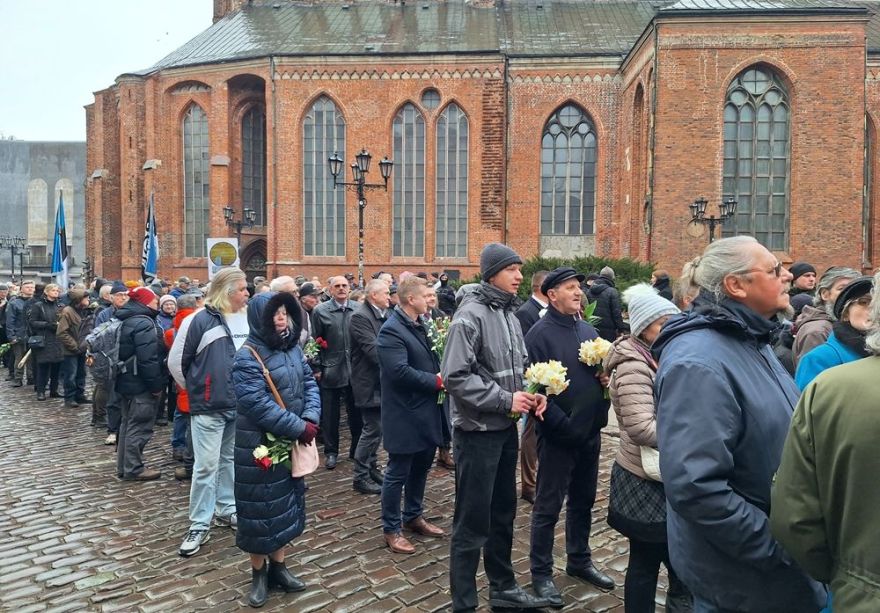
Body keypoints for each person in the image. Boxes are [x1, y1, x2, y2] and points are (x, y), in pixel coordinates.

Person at [653, 236, 826, 612]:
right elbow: (696, 487)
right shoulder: (697, 363)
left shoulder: (752, 340)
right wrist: (780, 546)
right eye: (774, 270)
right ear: (736, 285)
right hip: (744, 578)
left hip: (774, 572)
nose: (786, 278)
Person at [443, 243, 551, 612]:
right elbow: (455, 376)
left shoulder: (508, 314)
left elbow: (518, 368)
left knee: (504, 512)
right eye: (512, 270)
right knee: (472, 521)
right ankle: (464, 602)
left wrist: (532, 394)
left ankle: (503, 589)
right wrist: (506, 400)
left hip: (505, 430)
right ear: (492, 273)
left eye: (521, 270)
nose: (520, 276)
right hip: (476, 434)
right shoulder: (469, 315)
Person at [770, 271, 880, 613]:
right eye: (858, 301)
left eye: (868, 301)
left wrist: (845, 574)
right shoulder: (825, 364)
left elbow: (796, 515)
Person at [523, 267, 614, 608]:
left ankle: (579, 559)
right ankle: (541, 573)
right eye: (571, 288)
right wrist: (564, 427)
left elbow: (594, 375)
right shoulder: (538, 335)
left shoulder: (587, 329)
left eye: (579, 287)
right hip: (559, 437)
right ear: (552, 294)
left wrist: (603, 380)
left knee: (583, 501)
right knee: (548, 507)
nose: (579, 292)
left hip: (590, 432)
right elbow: (533, 389)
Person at [603, 284, 691, 613]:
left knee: (676, 560)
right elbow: (640, 427)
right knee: (647, 562)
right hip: (644, 479)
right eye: (661, 324)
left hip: (662, 474)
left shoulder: (656, 355)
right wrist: (690, 437)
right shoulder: (633, 365)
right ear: (643, 329)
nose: (669, 329)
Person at [232, 291, 320, 608]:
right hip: (258, 449)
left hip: (289, 444)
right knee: (259, 511)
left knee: (285, 508)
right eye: (274, 313)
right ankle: (258, 574)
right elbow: (256, 405)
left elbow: (309, 383)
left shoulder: (292, 347)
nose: (281, 317)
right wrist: (299, 427)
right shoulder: (247, 357)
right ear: (259, 317)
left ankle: (279, 568)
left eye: (284, 311)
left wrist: (310, 417)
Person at [169, 267, 249, 557]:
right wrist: (198, 389)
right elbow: (177, 362)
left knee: (229, 459)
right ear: (227, 291)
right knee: (205, 466)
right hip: (209, 406)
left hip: (238, 404)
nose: (247, 293)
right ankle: (199, 523)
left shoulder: (247, 319)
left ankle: (226, 509)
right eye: (242, 289)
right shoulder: (197, 320)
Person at [378, 276, 446, 554]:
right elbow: (399, 372)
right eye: (426, 295)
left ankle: (413, 516)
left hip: (427, 410)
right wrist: (438, 381)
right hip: (405, 413)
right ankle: (391, 528)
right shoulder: (391, 331)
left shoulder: (421, 324)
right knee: (398, 472)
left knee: (422, 467)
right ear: (410, 299)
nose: (431, 298)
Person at [115, 287, 166, 481]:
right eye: (154, 300)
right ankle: (134, 469)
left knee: (127, 424)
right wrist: (155, 386)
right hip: (140, 384)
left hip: (125, 380)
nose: (157, 303)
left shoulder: (125, 318)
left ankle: (124, 467)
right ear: (145, 302)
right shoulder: (144, 323)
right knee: (139, 425)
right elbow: (148, 360)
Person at [310, 275, 360, 470]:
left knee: (356, 413)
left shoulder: (357, 308)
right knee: (330, 416)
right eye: (337, 286)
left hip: (355, 370)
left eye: (344, 285)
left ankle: (356, 450)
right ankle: (331, 452)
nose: (341, 289)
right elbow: (314, 342)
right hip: (331, 368)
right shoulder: (320, 311)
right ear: (330, 289)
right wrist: (317, 367)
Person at [795, 276, 873, 390]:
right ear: (845, 313)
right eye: (864, 302)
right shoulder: (818, 359)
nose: (874, 309)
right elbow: (810, 405)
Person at [349, 279, 390, 495]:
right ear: (373, 295)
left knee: (378, 430)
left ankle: (372, 468)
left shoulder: (383, 314)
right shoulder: (360, 317)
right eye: (385, 293)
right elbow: (374, 351)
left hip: (380, 382)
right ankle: (360, 476)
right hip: (368, 382)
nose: (389, 297)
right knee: (371, 429)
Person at [514, 270, 550, 504]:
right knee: (530, 434)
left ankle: (542, 479)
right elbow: (527, 350)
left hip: (550, 381)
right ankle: (529, 484)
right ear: (542, 289)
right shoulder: (527, 312)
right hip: (534, 380)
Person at [792, 267, 859, 366]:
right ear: (825, 294)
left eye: (855, 290)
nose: (850, 295)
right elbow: (814, 377)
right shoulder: (817, 332)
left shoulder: (843, 322)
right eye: (842, 289)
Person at [95, 281, 130, 445]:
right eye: (119, 295)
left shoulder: (132, 312)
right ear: (111, 297)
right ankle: (112, 430)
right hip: (110, 360)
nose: (123, 297)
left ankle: (127, 429)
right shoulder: (104, 314)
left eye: (125, 294)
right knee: (113, 398)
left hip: (128, 358)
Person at [28, 283, 64, 401]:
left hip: (57, 339)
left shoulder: (60, 305)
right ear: (47, 292)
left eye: (57, 290)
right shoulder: (38, 306)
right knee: (43, 366)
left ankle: (54, 390)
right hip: (44, 339)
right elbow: (33, 322)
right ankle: (41, 391)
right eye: (53, 290)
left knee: (57, 366)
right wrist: (48, 325)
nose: (56, 292)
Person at [57, 288, 92, 408]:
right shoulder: (67, 312)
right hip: (71, 350)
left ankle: (79, 395)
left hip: (83, 348)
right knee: (70, 374)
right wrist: (74, 346)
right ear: (78, 299)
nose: (88, 299)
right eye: (86, 297)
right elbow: (62, 332)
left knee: (81, 373)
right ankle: (69, 397)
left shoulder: (84, 311)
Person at [6, 280, 35, 387]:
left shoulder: (36, 302)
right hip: (19, 334)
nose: (30, 289)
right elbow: (10, 321)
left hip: (33, 334)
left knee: (32, 358)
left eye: (32, 287)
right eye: (28, 287)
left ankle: (31, 377)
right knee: (19, 357)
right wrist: (11, 336)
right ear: (22, 289)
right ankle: (18, 378)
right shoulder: (14, 303)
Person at [587, 266, 627, 341]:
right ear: (612, 278)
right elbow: (616, 313)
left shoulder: (589, 291)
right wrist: (621, 329)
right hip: (609, 331)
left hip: (593, 328)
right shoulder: (612, 291)